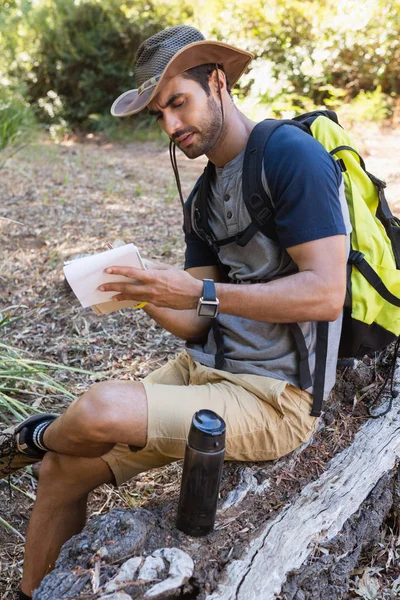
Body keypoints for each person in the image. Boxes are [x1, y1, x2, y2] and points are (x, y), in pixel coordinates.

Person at [0, 25, 351, 600]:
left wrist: (196, 294)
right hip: (208, 369)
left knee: (96, 411)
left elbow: (323, 293)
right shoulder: (205, 198)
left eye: (178, 103)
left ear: (217, 82)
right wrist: (146, 293)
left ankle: (28, 440)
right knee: (62, 471)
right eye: (159, 113)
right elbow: (198, 323)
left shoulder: (291, 157)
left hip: (277, 397)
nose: (170, 126)